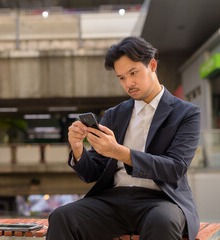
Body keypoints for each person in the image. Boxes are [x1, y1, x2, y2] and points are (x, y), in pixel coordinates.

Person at [46, 37, 201, 240]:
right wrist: (77, 149)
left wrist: (119, 152)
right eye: (121, 78)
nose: (129, 83)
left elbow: (175, 168)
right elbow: (92, 174)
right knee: (62, 217)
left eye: (133, 73)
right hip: (113, 199)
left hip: (161, 200)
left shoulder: (186, 113)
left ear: (152, 65)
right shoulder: (114, 114)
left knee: (163, 222)